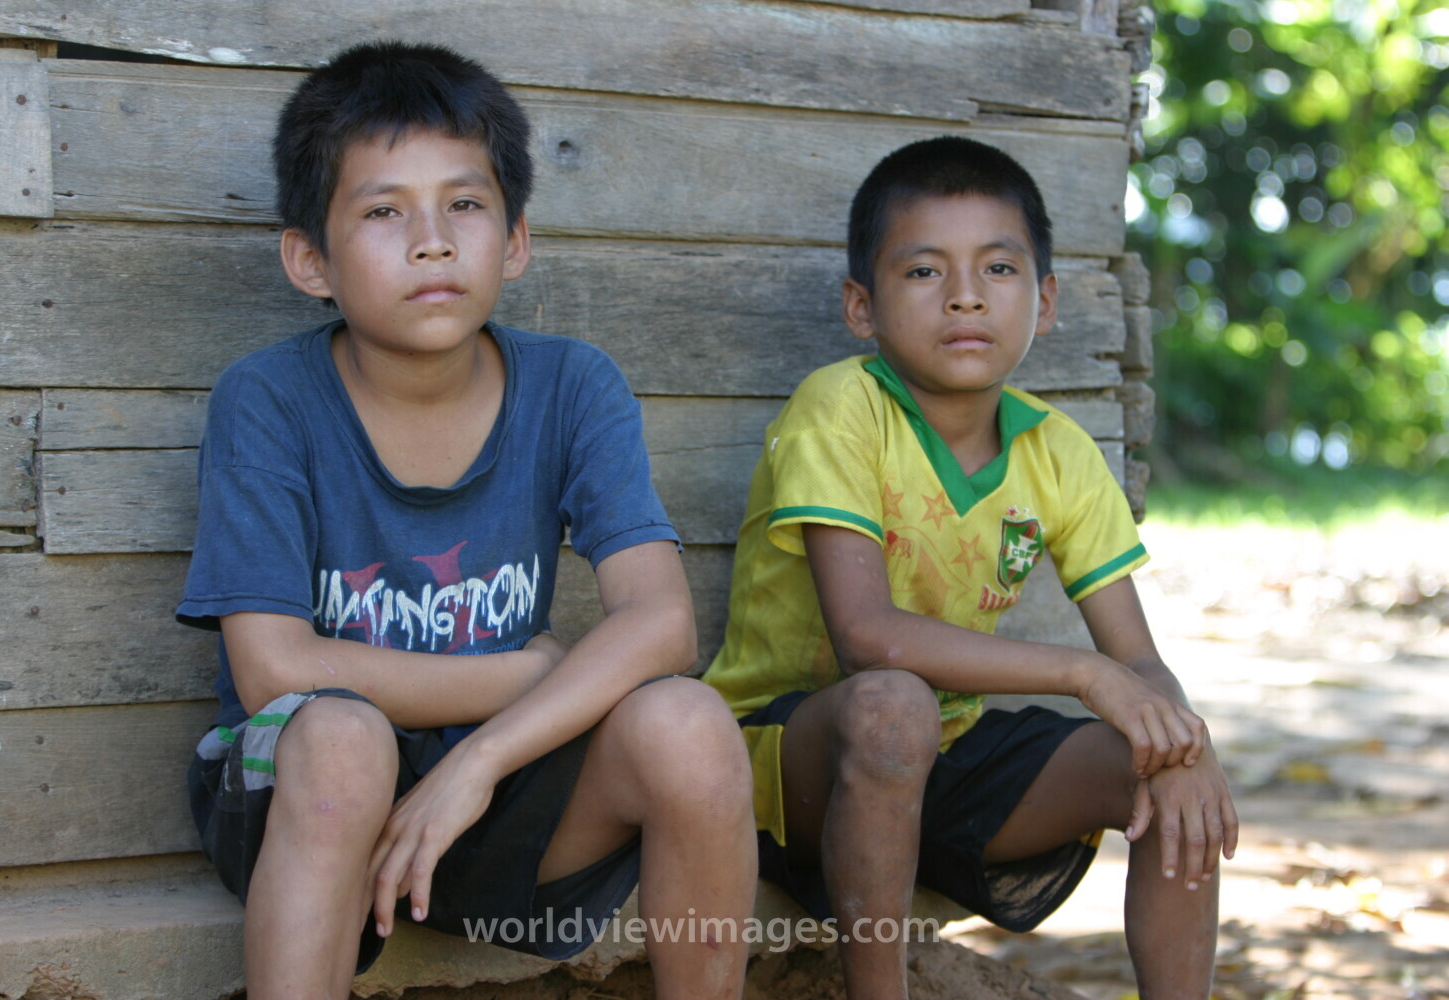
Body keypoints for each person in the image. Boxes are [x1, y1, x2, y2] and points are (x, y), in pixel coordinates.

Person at [177, 40, 754, 1000]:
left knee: (689, 723)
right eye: (382, 211)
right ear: (309, 259)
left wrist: (479, 761)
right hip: (312, 808)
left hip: (493, 804)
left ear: (515, 239)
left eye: (465, 204)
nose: (432, 240)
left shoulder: (574, 385)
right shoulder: (269, 399)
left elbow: (663, 623)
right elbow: (272, 668)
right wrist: (526, 671)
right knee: (340, 742)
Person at [703, 135, 1238, 1000]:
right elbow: (867, 637)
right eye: (922, 273)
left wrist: (1183, 741)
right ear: (861, 307)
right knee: (892, 708)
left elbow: (1138, 660)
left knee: (1168, 768)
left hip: (940, 753)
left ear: (1046, 298)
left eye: (998, 269)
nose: (963, 297)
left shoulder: (1056, 449)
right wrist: (1082, 675)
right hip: (784, 764)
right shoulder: (841, 408)